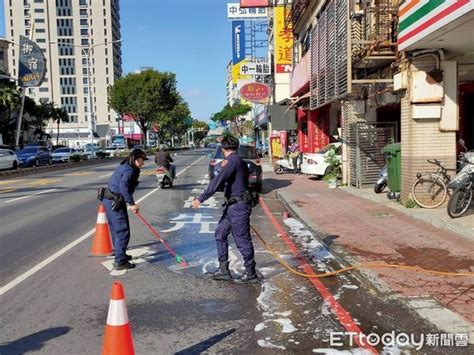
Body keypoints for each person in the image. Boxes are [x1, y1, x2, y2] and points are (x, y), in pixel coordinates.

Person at [192, 135, 258, 283]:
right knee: (220, 234)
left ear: (223, 149)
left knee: (242, 240)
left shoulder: (232, 162)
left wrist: (200, 198)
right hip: (231, 206)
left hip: (238, 207)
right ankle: (223, 270)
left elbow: (217, 181)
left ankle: (251, 273)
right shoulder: (236, 161)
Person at [103, 149, 146, 270]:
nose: (143, 163)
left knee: (116, 230)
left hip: (110, 200)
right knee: (122, 231)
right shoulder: (129, 170)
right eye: (142, 160)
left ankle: (120, 254)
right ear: (136, 159)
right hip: (115, 201)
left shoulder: (125, 164)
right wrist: (132, 203)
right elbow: (123, 186)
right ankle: (119, 261)